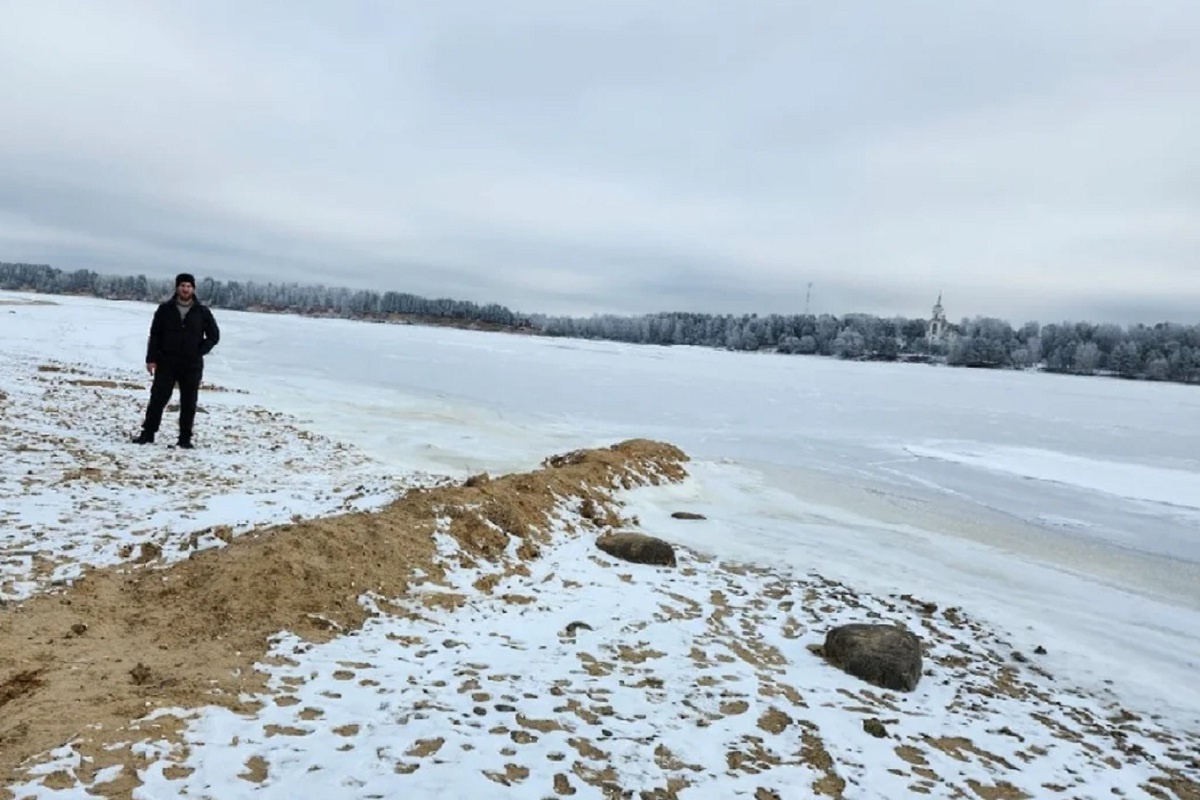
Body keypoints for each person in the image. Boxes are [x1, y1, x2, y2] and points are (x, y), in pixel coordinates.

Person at [133, 273, 220, 448]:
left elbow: (214, 336)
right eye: (182, 286)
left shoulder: (202, 312)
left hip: (191, 364)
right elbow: (155, 335)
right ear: (177, 287)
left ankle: (185, 438)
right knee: (158, 399)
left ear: (193, 289)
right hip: (167, 362)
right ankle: (148, 433)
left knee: (189, 402)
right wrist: (151, 359)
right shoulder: (165, 309)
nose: (185, 289)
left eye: (188, 286)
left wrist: (199, 351)